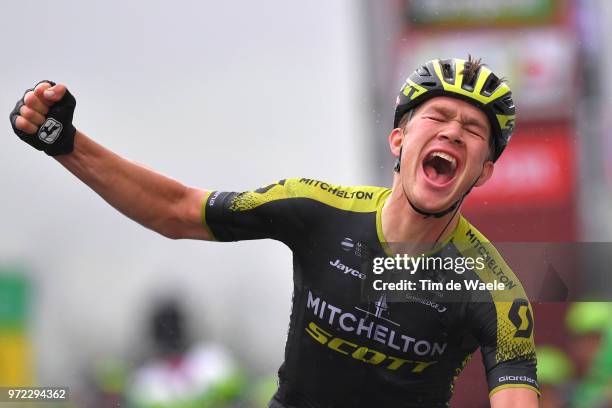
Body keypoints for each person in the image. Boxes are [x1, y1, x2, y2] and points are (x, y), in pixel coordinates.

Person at [10, 56, 538, 407]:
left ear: (483, 171)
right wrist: (68, 145)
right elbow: (176, 210)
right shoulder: (314, 208)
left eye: (473, 130)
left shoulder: (495, 292)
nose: (453, 131)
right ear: (399, 140)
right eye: (439, 116)